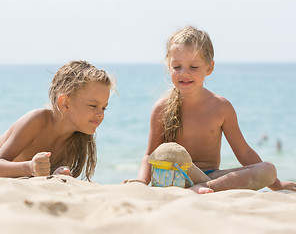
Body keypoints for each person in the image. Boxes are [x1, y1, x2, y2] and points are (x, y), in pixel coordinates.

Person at [124, 26, 296, 193]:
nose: (184, 73)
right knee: (168, 152)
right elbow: (150, 155)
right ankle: (202, 188)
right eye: (177, 67)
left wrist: (277, 185)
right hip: (175, 177)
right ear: (169, 67)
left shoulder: (221, 107)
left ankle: (205, 187)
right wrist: (141, 181)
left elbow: (244, 152)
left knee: (268, 169)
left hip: (212, 177)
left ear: (209, 68)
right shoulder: (162, 108)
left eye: (193, 67)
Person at [0, 60, 114, 181]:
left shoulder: (76, 140)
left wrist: (58, 173)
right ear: (65, 102)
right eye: (93, 106)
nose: (100, 114)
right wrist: (30, 167)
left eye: (104, 108)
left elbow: (45, 173)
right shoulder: (37, 120)